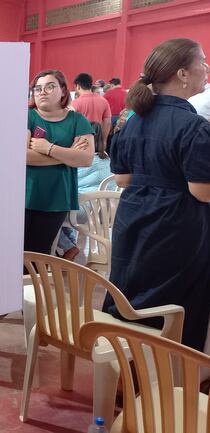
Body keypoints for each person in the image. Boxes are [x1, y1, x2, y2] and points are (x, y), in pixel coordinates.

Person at [102, 38, 210, 356]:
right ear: (182, 74)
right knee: (174, 302)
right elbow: (201, 190)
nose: (207, 68)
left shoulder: (132, 121)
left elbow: (122, 178)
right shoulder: (193, 128)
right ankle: (167, 379)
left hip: (133, 219)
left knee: (130, 293)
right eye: (202, 61)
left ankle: (125, 367)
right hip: (177, 227)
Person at [25, 70, 94, 260]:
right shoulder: (27, 116)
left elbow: (86, 159)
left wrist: (48, 148)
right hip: (24, 195)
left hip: (57, 198)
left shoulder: (77, 120)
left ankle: (35, 290)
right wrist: (68, 154)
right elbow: (23, 156)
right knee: (16, 253)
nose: (42, 92)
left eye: (49, 86)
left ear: (63, 91)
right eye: (37, 88)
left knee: (39, 254)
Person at [71, 72, 113, 150]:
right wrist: (104, 140)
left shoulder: (75, 103)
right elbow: (107, 122)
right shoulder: (103, 101)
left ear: (78, 86)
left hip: (82, 144)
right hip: (98, 142)